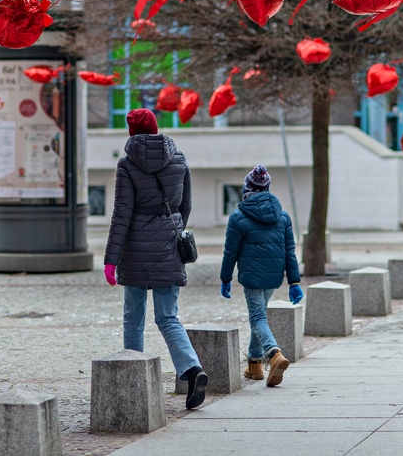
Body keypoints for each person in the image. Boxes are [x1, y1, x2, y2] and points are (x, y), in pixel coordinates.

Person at [103, 108, 208, 410]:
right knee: (168, 316)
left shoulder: (126, 164)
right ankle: (191, 369)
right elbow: (185, 206)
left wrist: (111, 260)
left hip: (135, 248)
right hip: (168, 245)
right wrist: (170, 227)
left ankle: (133, 380)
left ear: (131, 132)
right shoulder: (178, 158)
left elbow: (121, 213)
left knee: (133, 317)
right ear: (155, 126)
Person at [220, 164, 303, 387]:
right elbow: (290, 250)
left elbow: (231, 251)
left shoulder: (238, 217)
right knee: (260, 317)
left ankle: (274, 354)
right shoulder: (283, 216)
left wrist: (225, 278)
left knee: (257, 318)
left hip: (252, 277)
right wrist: (294, 281)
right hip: (273, 276)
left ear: (247, 188)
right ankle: (254, 365)